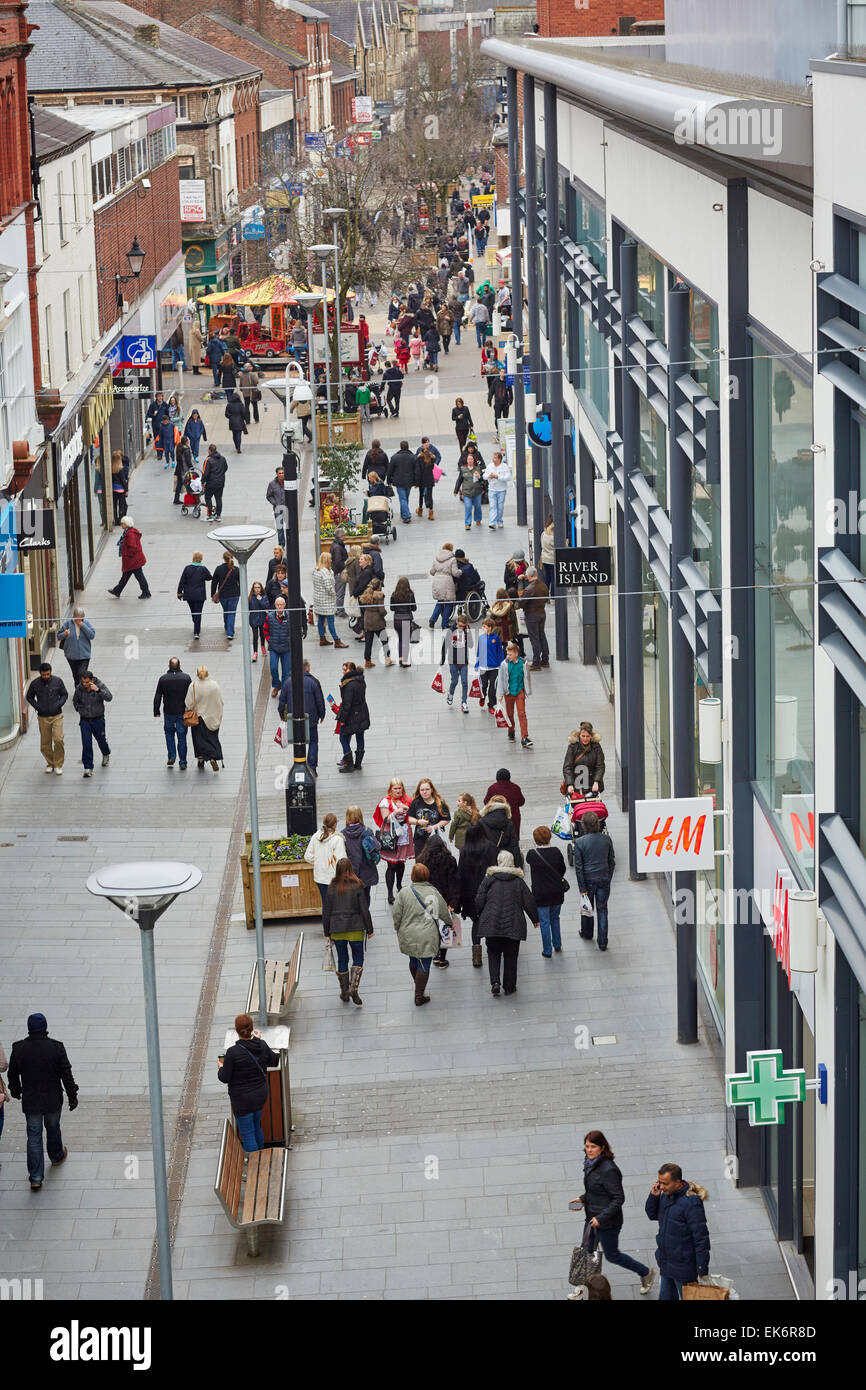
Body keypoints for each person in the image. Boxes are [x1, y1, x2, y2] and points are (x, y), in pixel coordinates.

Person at [573, 1132, 654, 1293]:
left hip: (608, 1222)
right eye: (587, 1146)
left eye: (593, 1147)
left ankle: (645, 1272)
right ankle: (582, 1289)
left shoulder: (608, 1169)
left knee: (612, 1255)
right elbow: (596, 1190)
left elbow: (618, 1198)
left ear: (602, 1147)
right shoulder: (590, 1163)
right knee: (587, 1252)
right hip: (591, 1217)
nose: (589, 1150)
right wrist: (583, 1199)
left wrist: (601, 1218)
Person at [7, 1013, 77, 1190]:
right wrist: (72, 1096)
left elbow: (13, 1075)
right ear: (45, 1027)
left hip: (31, 1102)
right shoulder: (56, 1048)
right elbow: (66, 1074)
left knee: (34, 1137)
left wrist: (15, 1091)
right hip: (53, 1099)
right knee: (53, 1128)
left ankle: (36, 1177)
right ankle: (56, 1155)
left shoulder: (19, 1049)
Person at [474, 850, 538, 996]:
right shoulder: (518, 881)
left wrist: (479, 912)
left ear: (498, 862)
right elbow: (529, 900)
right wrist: (535, 919)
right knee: (511, 955)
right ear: (513, 863)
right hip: (513, 924)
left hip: (492, 922)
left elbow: (479, 898)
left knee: (493, 953)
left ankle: (495, 981)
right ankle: (509, 986)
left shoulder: (489, 879)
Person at [645, 1163, 711, 1301]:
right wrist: (654, 1196)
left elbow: (701, 1238)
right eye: (660, 1182)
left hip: (684, 1267)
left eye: (665, 1184)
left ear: (678, 1182)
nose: (661, 1187)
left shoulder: (691, 1204)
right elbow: (652, 1214)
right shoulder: (665, 1195)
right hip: (666, 1262)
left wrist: (701, 1268)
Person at [217, 1014, 279, 1153]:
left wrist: (221, 1068)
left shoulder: (233, 1053)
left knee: (248, 1133)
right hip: (260, 1095)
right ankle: (261, 1157)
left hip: (242, 1099)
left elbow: (225, 1077)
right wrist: (259, 1042)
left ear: (237, 1030)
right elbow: (274, 1061)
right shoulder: (261, 1045)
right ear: (252, 1028)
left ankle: (253, 1163)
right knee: (257, 1127)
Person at [392, 863, 451, 1006]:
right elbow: (443, 911)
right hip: (428, 934)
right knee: (424, 963)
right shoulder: (434, 892)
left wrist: (398, 927)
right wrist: (449, 923)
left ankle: (418, 983)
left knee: (413, 960)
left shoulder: (404, 892)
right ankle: (419, 994)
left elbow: (396, 914)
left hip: (408, 933)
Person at [323, 857, 373, 1005]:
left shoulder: (331, 887)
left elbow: (326, 911)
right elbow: (364, 909)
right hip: (356, 928)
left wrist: (327, 931)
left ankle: (344, 992)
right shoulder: (357, 886)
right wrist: (369, 929)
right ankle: (353, 988)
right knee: (358, 958)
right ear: (351, 869)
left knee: (342, 959)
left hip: (337, 929)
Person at [457, 820, 498, 968]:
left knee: (476, 922)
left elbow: (460, 874)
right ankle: (493, 950)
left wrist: (460, 898)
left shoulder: (464, 850)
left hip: (470, 893)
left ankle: (476, 956)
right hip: (490, 890)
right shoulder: (491, 847)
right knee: (491, 921)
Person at [417, 832, 460, 969]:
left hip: (427, 900)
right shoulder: (450, 860)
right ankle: (442, 958)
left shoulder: (421, 860)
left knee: (432, 927)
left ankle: (434, 954)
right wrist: (454, 902)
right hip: (444, 900)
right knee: (445, 928)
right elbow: (454, 883)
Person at [573, 811, 615, 950]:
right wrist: (608, 877)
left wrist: (581, 887)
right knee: (602, 910)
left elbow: (579, 867)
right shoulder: (606, 839)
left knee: (587, 909)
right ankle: (603, 942)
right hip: (603, 878)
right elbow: (611, 862)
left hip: (588, 880)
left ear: (584, 825)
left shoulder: (579, 842)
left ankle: (587, 933)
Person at [279, 658, 326, 774]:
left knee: (298, 742)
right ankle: (312, 767)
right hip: (311, 718)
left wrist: (282, 715)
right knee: (313, 742)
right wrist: (322, 714)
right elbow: (319, 700)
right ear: (307, 668)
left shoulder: (288, 682)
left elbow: (281, 702)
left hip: (294, 720)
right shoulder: (313, 682)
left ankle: (300, 764)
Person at [526, 825, 567, 957]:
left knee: (544, 922)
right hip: (556, 892)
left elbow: (527, 861)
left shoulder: (532, 854)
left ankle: (547, 950)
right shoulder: (556, 851)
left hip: (541, 894)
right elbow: (563, 869)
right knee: (555, 918)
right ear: (549, 837)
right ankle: (558, 943)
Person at [374, 776, 414, 900]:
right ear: (390, 789)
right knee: (391, 866)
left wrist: (406, 807)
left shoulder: (407, 800)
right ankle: (390, 893)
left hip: (404, 835)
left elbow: (413, 813)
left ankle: (399, 885)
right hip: (391, 835)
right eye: (395, 788)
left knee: (401, 863)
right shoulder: (385, 801)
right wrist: (396, 812)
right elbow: (385, 819)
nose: (397, 791)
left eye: (399, 788)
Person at [25, 662, 67, 774]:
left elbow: (64, 694)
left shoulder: (58, 681)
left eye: (48, 674)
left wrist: (59, 704)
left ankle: (58, 764)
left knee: (58, 739)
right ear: (40, 674)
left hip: (57, 715)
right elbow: (29, 697)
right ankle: (50, 763)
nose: (46, 677)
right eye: (44, 675)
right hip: (43, 717)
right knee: (45, 743)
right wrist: (37, 706)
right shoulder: (35, 684)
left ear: (51, 672)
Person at [153, 657, 192, 770]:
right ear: (180, 666)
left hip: (169, 712)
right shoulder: (186, 678)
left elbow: (158, 696)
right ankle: (183, 761)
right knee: (182, 737)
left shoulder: (163, 679)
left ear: (169, 666)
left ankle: (171, 756)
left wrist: (156, 710)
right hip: (181, 712)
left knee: (169, 734)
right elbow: (190, 694)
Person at [184, 665, 224, 772]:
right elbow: (220, 700)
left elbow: (189, 703)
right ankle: (212, 757)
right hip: (212, 716)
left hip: (199, 717)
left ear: (197, 674)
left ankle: (201, 759)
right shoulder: (214, 685)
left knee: (198, 740)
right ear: (208, 674)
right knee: (211, 738)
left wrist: (188, 710)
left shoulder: (193, 685)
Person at [72, 671, 111, 778]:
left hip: (98, 719)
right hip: (85, 720)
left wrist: (98, 690)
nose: (85, 684)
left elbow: (109, 697)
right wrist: (79, 710)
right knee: (86, 743)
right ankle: (88, 767)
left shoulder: (99, 685)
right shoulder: (79, 688)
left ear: (92, 680)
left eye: (87, 682)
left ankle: (106, 753)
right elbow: (75, 701)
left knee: (101, 739)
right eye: (83, 682)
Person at [304, 813, 347, 911]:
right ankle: (336, 925)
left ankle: (327, 926)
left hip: (319, 877)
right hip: (334, 878)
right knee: (337, 906)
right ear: (335, 824)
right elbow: (342, 861)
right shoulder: (338, 839)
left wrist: (319, 861)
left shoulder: (316, 836)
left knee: (326, 905)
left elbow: (308, 856)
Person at [497, 640, 533, 748]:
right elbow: (501, 680)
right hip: (509, 693)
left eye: (510, 654)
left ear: (516, 654)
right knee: (510, 714)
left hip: (519, 691)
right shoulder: (504, 665)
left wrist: (527, 690)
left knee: (522, 714)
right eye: (507, 654)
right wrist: (500, 695)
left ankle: (524, 737)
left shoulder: (523, 663)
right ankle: (511, 730)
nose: (508, 656)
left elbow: (527, 677)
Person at [342, 806, 380, 906]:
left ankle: (357, 916)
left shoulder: (342, 834)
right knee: (366, 894)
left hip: (350, 872)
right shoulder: (367, 831)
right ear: (360, 816)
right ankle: (365, 915)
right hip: (366, 870)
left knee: (353, 896)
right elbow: (377, 846)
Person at [336, 660, 369, 772]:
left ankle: (349, 764)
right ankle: (358, 764)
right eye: (343, 669)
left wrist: (342, 719)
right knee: (360, 737)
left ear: (351, 670)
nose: (343, 672)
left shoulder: (349, 685)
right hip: (362, 712)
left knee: (343, 737)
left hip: (352, 715)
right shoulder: (360, 680)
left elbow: (347, 704)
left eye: (346, 669)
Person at [108, 516, 150, 599]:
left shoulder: (130, 534)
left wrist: (127, 555)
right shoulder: (129, 532)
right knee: (126, 577)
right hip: (133, 561)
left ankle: (146, 592)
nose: (121, 525)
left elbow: (132, 547)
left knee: (139, 576)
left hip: (133, 561)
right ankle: (117, 590)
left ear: (126, 524)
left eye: (122, 523)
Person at [409, 777, 451, 860]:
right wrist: (418, 821)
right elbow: (409, 818)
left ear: (432, 789)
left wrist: (433, 828)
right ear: (419, 791)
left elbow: (446, 819)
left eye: (427, 789)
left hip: (436, 840)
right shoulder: (416, 802)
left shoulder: (440, 802)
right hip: (420, 840)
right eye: (422, 790)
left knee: (435, 865)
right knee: (421, 866)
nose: (424, 792)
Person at [312, 552, 348, 648]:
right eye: (330, 559)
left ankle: (322, 639)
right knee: (331, 621)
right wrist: (334, 595)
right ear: (327, 560)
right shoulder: (325, 573)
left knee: (321, 620)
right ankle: (337, 641)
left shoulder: (316, 570)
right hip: (327, 601)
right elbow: (329, 588)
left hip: (318, 600)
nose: (332, 561)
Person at [520, 567, 551, 671]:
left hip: (532, 615)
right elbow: (547, 598)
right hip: (542, 613)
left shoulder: (529, 589)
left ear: (529, 576)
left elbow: (521, 603)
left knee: (534, 639)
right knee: (542, 636)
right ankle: (545, 660)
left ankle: (536, 663)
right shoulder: (543, 586)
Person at [478, 793, 523, 866]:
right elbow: (514, 846)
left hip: (487, 860)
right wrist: (519, 866)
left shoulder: (481, 822)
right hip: (504, 861)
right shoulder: (509, 824)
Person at [359, 575, 393, 669]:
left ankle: (367, 661)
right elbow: (381, 610)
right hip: (378, 622)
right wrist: (385, 614)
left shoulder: (366, 594)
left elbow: (362, 608)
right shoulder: (379, 596)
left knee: (368, 643)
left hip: (368, 621)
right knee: (384, 640)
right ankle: (387, 659)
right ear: (379, 586)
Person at [177, 551, 212, 639]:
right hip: (200, 595)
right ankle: (196, 631)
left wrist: (179, 592)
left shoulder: (187, 568)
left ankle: (196, 624)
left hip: (189, 595)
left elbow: (182, 581)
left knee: (193, 611)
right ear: (201, 559)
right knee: (198, 613)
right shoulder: (203, 569)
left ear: (193, 558)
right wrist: (203, 577)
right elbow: (210, 577)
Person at [563, 722, 606, 795]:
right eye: (583, 736)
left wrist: (596, 782)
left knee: (593, 806)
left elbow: (600, 766)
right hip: (576, 786)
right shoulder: (573, 747)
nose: (585, 739)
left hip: (592, 785)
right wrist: (570, 784)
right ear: (579, 735)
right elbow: (567, 767)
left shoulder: (596, 747)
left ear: (591, 736)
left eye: (587, 736)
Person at [442, 613, 472, 712]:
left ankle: (464, 702)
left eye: (463, 626)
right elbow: (445, 645)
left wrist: (468, 633)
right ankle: (450, 694)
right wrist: (442, 659)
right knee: (454, 681)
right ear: (456, 622)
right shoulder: (451, 631)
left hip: (464, 661)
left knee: (464, 682)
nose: (461, 628)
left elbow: (471, 645)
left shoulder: (466, 631)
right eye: (459, 625)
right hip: (453, 661)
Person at [57, 607, 95, 686]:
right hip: (71, 656)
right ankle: (78, 692)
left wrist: (83, 626)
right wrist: (65, 634)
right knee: (75, 675)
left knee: (82, 675)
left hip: (84, 655)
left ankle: (81, 693)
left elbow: (92, 635)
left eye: (80, 618)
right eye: (77, 618)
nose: (78, 620)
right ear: (73, 616)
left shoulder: (86, 623)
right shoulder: (67, 624)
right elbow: (58, 636)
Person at [484, 768, 525, 838]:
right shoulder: (515, 788)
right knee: (513, 838)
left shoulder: (492, 788)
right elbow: (521, 802)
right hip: (513, 818)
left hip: (497, 818)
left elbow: (486, 802)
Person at [475, 618, 505, 714]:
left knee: (493, 688)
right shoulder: (481, 638)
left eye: (484, 626)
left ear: (490, 628)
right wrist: (477, 664)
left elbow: (500, 652)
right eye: (483, 626)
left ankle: (491, 705)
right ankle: (482, 697)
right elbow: (479, 651)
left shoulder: (496, 638)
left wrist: (501, 665)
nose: (483, 628)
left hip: (494, 667)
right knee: (484, 686)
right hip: (483, 667)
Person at [264, 596, 292, 696]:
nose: (279, 606)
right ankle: (276, 685)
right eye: (277, 605)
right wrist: (269, 640)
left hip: (286, 648)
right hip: (274, 648)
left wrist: (290, 641)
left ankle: (284, 689)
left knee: (286, 672)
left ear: (285, 605)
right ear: (275, 605)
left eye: (281, 604)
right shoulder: (270, 616)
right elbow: (265, 630)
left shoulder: (290, 616)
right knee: (273, 668)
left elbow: (294, 630)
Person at [386, 440, 419, 524]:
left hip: (399, 481)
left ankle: (405, 514)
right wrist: (417, 482)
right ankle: (406, 515)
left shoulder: (394, 457)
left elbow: (390, 470)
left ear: (400, 447)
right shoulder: (413, 457)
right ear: (408, 447)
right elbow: (417, 471)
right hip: (409, 481)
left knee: (403, 498)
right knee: (405, 498)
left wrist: (389, 481)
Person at [210, 551, 241, 641]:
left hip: (223, 595)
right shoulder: (236, 569)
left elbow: (214, 582)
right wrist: (239, 592)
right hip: (234, 595)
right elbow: (241, 581)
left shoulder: (219, 569)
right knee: (231, 613)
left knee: (226, 611)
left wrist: (212, 594)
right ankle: (230, 632)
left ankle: (227, 626)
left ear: (223, 558)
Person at [429, 542, 461, 628]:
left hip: (437, 581)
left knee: (440, 601)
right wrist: (460, 572)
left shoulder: (437, 558)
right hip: (447, 582)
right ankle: (444, 624)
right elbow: (455, 573)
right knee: (448, 603)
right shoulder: (452, 559)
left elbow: (432, 572)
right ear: (451, 549)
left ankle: (432, 620)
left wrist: (438, 571)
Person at [389, 575, 417, 668]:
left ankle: (400, 658)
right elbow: (414, 608)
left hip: (396, 619)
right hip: (406, 619)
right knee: (405, 641)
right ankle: (404, 660)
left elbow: (392, 608)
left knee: (400, 640)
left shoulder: (394, 594)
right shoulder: (410, 594)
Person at [455, 453, 485, 530]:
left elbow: (483, 479)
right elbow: (459, 480)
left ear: (474, 460)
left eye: (471, 459)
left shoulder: (478, 468)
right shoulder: (463, 469)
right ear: (467, 460)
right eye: (469, 459)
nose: (470, 461)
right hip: (467, 492)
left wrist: (480, 477)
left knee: (477, 507)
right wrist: (456, 490)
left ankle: (478, 519)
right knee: (468, 507)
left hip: (477, 491)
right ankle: (467, 523)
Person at [486, 449, 512, 530]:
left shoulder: (504, 466)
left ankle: (500, 521)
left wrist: (498, 477)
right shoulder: (490, 466)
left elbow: (508, 477)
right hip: (492, 489)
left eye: (495, 458)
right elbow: (484, 476)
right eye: (493, 458)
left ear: (499, 459)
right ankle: (492, 523)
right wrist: (489, 476)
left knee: (500, 507)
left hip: (501, 490)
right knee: (493, 506)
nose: (493, 459)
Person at [202, 444, 228, 520]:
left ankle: (209, 515)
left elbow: (205, 473)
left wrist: (202, 482)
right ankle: (218, 516)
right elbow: (226, 468)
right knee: (219, 499)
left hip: (211, 483)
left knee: (208, 498)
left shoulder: (208, 460)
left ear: (210, 451)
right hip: (220, 482)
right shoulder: (223, 458)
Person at [415, 445, 438, 520]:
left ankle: (420, 511)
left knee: (421, 495)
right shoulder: (432, 458)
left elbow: (418, 471)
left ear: (421, 451)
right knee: (430, 495)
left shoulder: (419, 458)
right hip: (430, 478)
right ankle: (431, 513)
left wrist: (417, 482)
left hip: (422, 479)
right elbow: (432, 468)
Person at [330, 526, 349, 617]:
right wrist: (344, 568)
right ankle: (340, 611)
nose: (345, 537)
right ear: (341, 536)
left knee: (338, 592)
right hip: (339, 573)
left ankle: (338, 610)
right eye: (344, 535)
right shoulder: (338, 547)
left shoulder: (335, 544)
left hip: (336, 572)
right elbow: (338, 561)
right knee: (340, 592)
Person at [266, 466, 286, 548]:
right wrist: (275, 503)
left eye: (283, 473)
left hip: (287, 509)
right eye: (280, 473)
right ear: (277, 474)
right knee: (280, 529)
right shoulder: (272, 484)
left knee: (290, 528)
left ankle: (291, 543)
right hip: (278, 509)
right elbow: (268, 496)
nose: (281, 475)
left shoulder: (288, 482)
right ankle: (281, 545)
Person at [248, 580, 268, 660]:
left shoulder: (264, 597)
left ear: (261, 588)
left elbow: (266, 607)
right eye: (255, 587)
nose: (257, 589)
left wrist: (261, 600)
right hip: (254, 620)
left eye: (258, 587)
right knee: (255, 636)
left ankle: (263, 646)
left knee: (262, 635)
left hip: (262, 619)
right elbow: (248, 608)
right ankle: (255, 652)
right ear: (253, 589)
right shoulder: (250, 597)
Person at [109, 452, 128, 523]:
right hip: (120, 489)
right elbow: (123, 480)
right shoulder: (120, 469)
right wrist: (126, 490)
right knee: (122, 505)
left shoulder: (111, 469)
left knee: (114, 505)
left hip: (114, 489)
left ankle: (115, 519)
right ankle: (121, 519)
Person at [541, 516, 556, 591]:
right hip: (552, 560)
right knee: (553, 579)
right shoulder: (552, 538)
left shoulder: (543, 534)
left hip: (544, 559)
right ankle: (553, 596)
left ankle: (545, 595)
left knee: (547, 578)